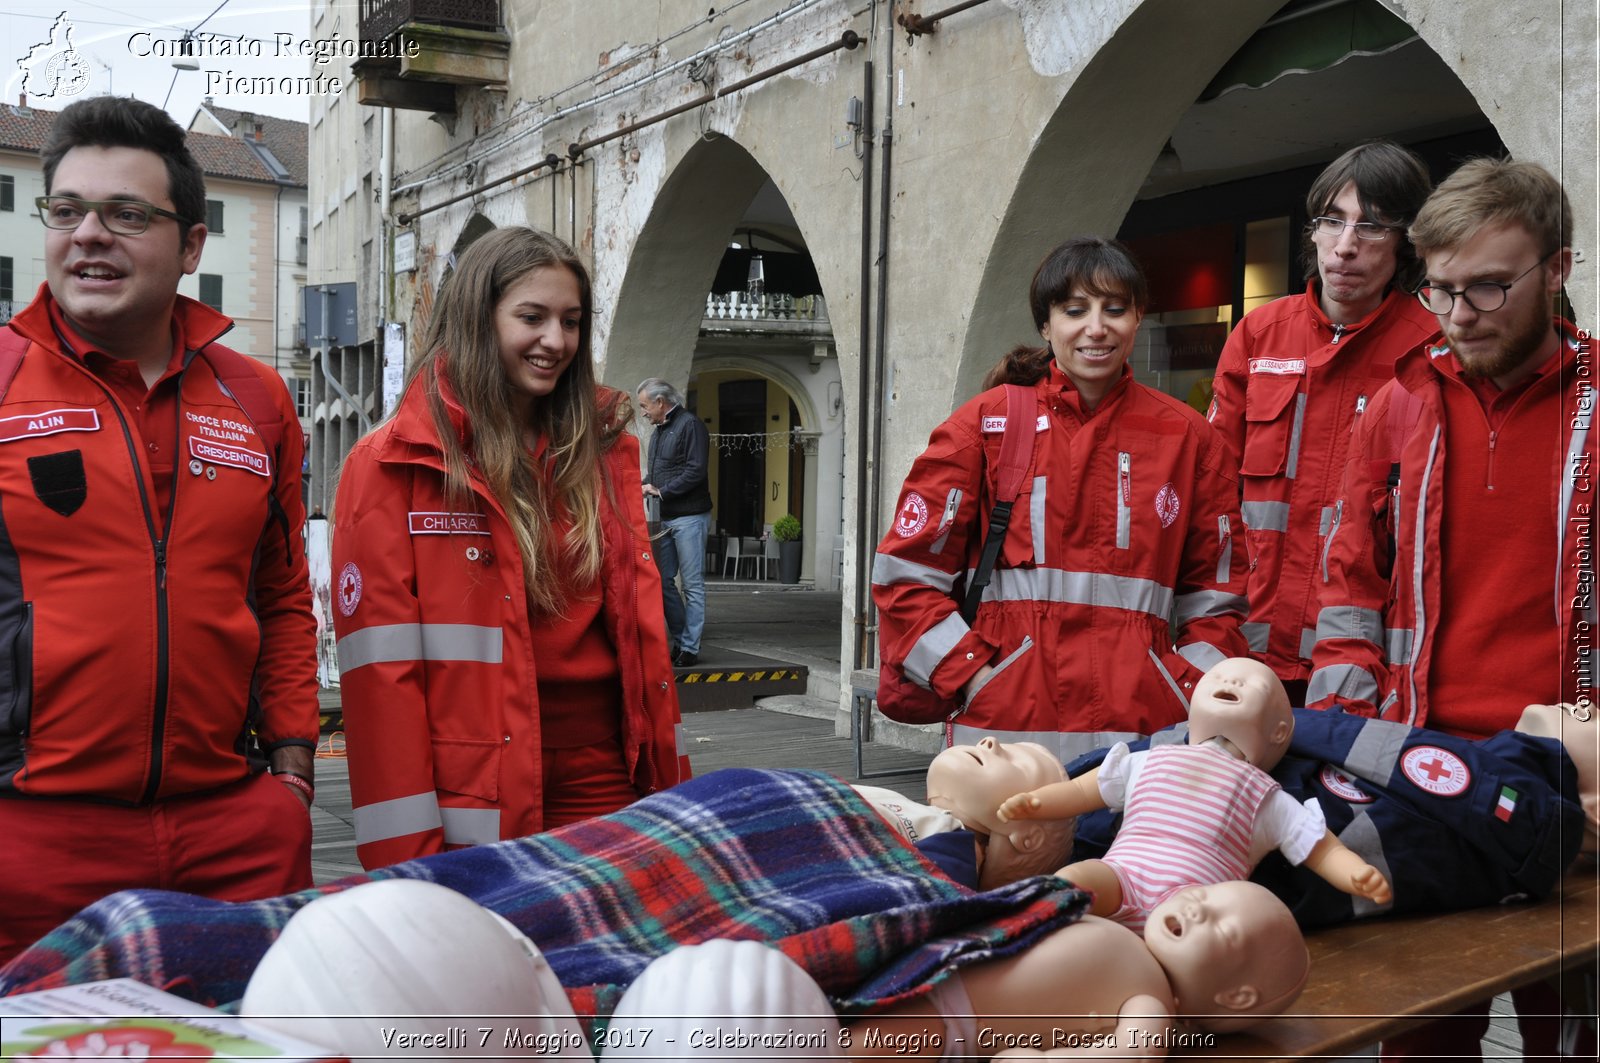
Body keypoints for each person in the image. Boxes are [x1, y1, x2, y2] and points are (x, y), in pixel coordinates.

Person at [0, 96, 318, 964]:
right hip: (27, 843)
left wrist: (290, 773)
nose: (90, 234)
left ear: (191, 245)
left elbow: (284, 593)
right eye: (67, 211)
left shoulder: (258, 396)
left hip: (235, 833)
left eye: (126, 214)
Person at [1308, 158, 1596, 1059]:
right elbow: (1349, 586)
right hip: (1424, 772)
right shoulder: (1399, 403)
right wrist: (1349, 738)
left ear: (1559, 269)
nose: (1461, 313)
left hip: (1577, 779)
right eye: (1440, 289)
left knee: (1578, 1032)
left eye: (1489, 287)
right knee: (1420, 1034)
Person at [331, 226, 689, 870]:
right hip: (478, 786)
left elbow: (643, 648)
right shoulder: (393, 464)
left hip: (608, 771)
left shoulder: (604, 453)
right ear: (477, 318)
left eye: (571, 321)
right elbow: (381, 684)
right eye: (532, 317)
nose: (556, 340)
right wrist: (407, 868)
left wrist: (670, 783)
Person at [873, 236, 1250, 763]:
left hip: (1146, 742)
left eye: (1114, 309)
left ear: (1138, 318)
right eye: (1075, 310)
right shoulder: (983, 427)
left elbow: (1220, 595)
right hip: (1004, 739)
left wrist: (1184, 683)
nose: (1096, 327)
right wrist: (973, 675)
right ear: (1047, 326)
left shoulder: (1189, 438)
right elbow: (906, 577)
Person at [1206, 141, 1437, 705]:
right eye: (1333, 221)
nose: (1346, 245)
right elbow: (1206, 491)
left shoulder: (1432, 347)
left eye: (1373, 227)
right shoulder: (1259, 334)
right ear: (1313, 231)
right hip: (1244, 644)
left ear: (1406, 241)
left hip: (1363, 657)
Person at [996, 657, 1392, 931]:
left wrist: (1353, 873)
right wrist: (1038, 803)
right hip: (1121, 876)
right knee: (1075, 879)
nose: (1230, 681)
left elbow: (1321, 848)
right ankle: (1035, 930)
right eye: (1218, 677)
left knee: (1221, 936)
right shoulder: (1150, 759)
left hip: (1196, 905)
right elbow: (1085, 789)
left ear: (1279, 733)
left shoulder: (1266, 796)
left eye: (1250, 684)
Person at [637, 377, 712, 667]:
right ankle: (682, 640)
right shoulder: (659, 431)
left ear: (660, 402)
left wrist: (660, 491)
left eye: (645, 406)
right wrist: (640, 484)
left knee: (692, 586)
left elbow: (696, 470)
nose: (643, 412)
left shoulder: (690, 425)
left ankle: (690, 648)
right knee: (663, 581)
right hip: (665, 517)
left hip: (690, 517)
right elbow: (659, 474)